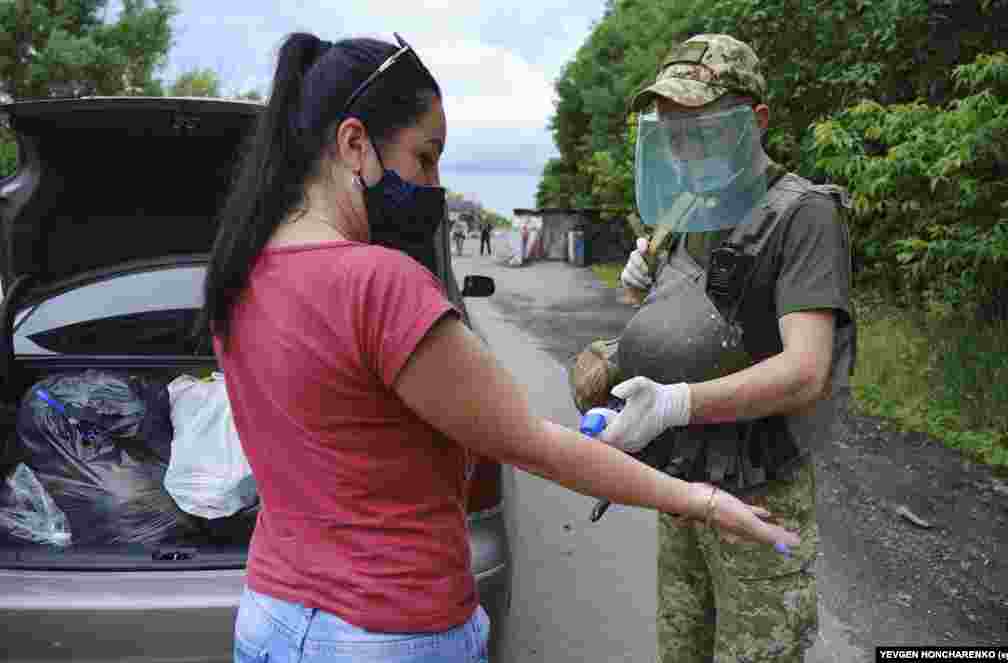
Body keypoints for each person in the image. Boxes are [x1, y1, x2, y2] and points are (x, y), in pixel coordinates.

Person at [198, 32, 800, 663]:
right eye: (425, 157)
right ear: (354, 144)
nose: (433, 183)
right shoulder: (379, 283)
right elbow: (531, 443)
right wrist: (701, 500)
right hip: (384, 628)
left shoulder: (240, 270)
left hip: (269, 618)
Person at [608, 34, 857, 663]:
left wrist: (672, 404)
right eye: (672, 132)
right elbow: (689, 332)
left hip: (761, 486)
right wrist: (643, 294)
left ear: (757, 122)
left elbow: (805, 373)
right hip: (682, 484)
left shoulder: (802, 215)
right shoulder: (684, 210)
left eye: (703, 128)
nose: (684, 148)